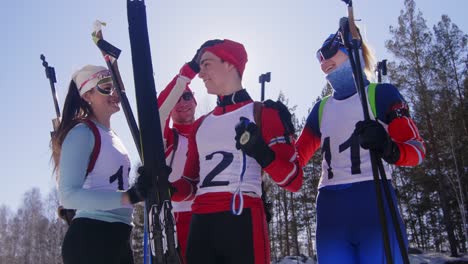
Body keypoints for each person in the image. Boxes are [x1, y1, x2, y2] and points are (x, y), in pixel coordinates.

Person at [296, 25, 426, 263]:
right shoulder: (321, 108)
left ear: (352, 51)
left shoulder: (381, 94)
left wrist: (388, 147)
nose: (323, 61)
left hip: (372, 200)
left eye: (329, 51)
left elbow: (416, 150)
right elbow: (295, 161)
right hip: (330, 208)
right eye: (319, 57)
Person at [171, 39, 303, 264]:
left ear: (230, 64)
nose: (201, 74)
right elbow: (190, 184)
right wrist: (164, 189)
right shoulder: (200, 124)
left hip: (242, 218)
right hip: (201, 224)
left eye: (206, 64)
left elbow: (294, 180)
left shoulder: (263, 112)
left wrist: (261, 152)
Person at [51, 65, 151, 264]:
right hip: (92, 237)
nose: (114, 93)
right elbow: (68, 196)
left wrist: (143, 186)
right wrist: (128, 197)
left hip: (120, 235)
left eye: (115, 86)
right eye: (106, 87)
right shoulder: (82, 133)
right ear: (88, 95)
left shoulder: (113, 136)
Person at [156, 61, 199, 263]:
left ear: (195, 102)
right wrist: (186, 75)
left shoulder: (208, 131)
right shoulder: (169, 139)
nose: (182, 102)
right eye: (177, 99)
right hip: (178, 220)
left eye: (187, 96)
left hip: (213, 215)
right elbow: (158, 112)